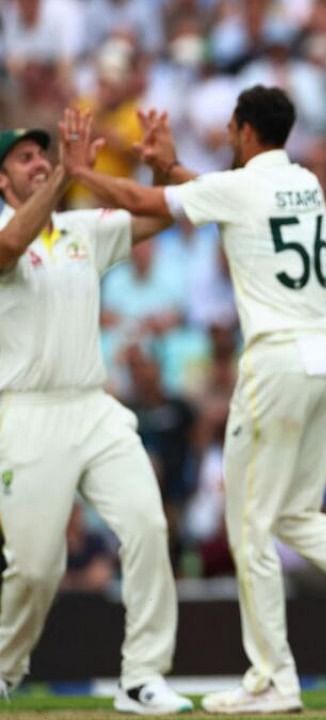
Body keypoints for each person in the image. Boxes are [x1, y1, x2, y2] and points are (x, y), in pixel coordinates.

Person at [61, 87, 326, 713]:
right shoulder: (307, 185)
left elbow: (144, 201)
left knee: (249, 527)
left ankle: (274, 680)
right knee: (298, 517)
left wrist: (81, 176)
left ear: (243, 132)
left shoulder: (240, 188)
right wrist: (168, 166)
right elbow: (214, 196)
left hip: (277, 363)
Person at [0, 117, 192, 713]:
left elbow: (161, 217)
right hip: (24, 413)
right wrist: (65, 175)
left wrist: (161, 167)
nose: (37, 163)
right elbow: (9, 251)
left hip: (93, 405)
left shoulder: (83, 230)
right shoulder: (4, 229)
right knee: (34, 568)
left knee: (148, 525)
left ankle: (142, 677)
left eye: (43, 154)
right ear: (1, 177)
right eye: (25, 158)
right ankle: (4, 670)